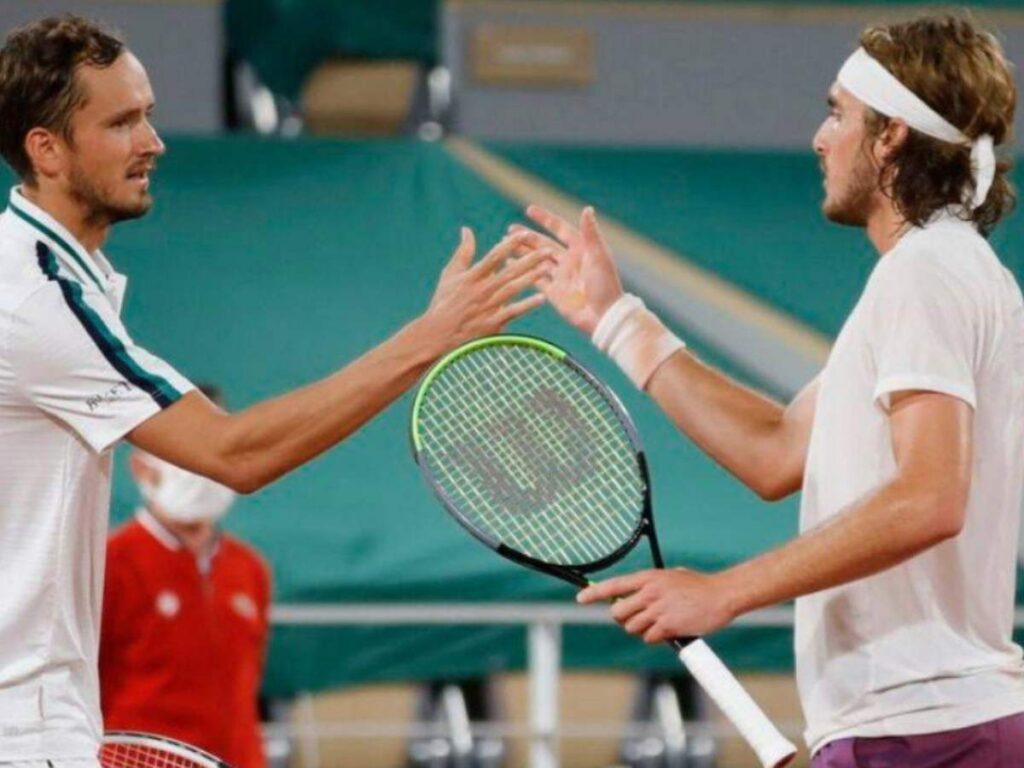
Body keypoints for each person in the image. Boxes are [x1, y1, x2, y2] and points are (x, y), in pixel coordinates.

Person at [0, 15, 551, 764]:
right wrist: (431, 337)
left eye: (150, 115)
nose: (152, 142)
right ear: (47, 149)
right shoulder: (36, 298)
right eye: (122, 122)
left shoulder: (46, 280)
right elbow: (233, 452)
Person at [513, 13, 1024, 767]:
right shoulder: (940, 271)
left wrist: (723, 593)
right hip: (912, 729)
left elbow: (930, 496)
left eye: (837, 114)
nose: (820, 139)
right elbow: (775, 452)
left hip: (924, 731)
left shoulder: (928, 272)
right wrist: (617, 321)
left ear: (890, 139)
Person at [100, 385, 271, 768]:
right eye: (188, 452)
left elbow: (247, 689)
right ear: (142, 467)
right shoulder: (109, 562)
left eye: (215, 449)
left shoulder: (249, 568)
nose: (202, 469)